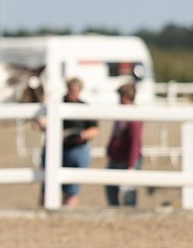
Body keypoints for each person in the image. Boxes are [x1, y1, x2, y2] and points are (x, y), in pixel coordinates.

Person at [37, 77, 99, 207]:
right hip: (58, 147)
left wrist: (82, 135)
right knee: (48, 185)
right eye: (71, 89)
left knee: (72, 188)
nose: (73, 93)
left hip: (77, 149)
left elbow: (95, 129)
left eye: (76, 90)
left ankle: (66, 215)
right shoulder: (58, 104)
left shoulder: (84, 107)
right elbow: (42, 123)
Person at [105, 82, 143, 207]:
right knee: (111, 190)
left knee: (128, 196)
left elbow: (135, 142)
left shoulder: (132, 117)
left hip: (126, 160)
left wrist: (131, 164)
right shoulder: (123, 114)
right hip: (117, 158)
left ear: (125, 97)